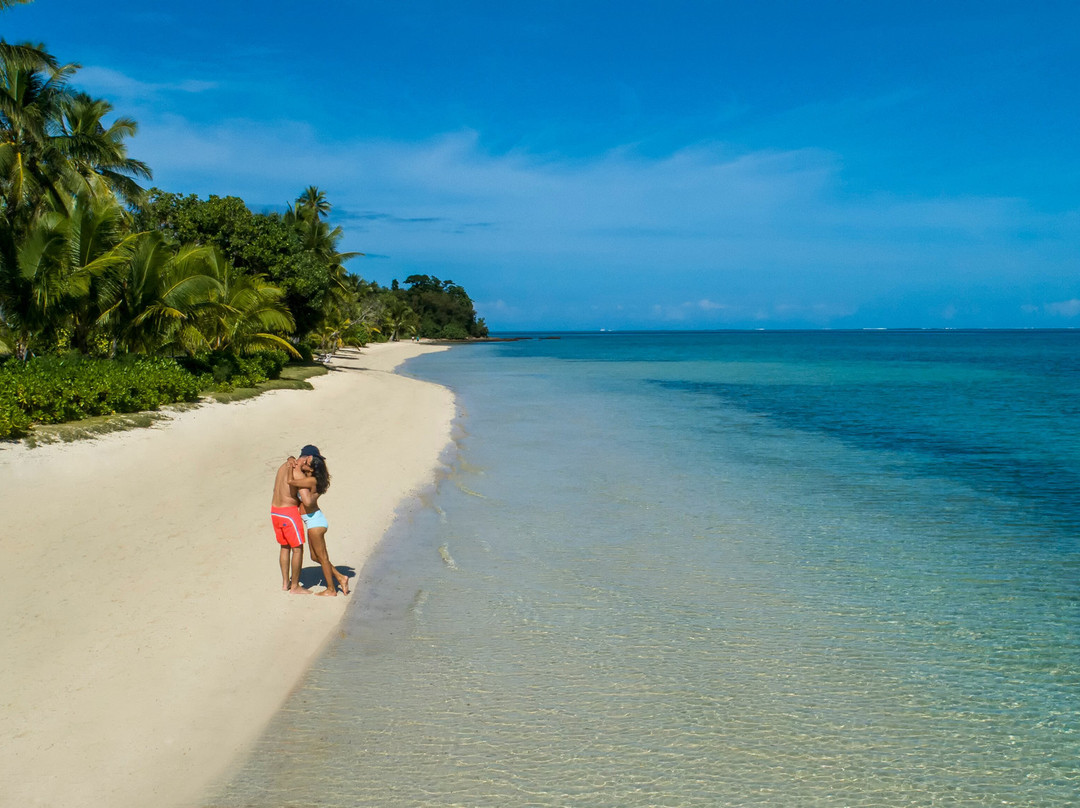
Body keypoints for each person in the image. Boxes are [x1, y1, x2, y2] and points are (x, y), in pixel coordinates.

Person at [295, 444, 349, 597]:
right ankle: (340, 577)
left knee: (323, 557)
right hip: (313, 520)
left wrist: (295, 470)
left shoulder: (311, 480)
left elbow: (299, 491)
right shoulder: (311, 478)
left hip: (315, 522)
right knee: (315, 556)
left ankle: (331, 590)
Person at [270, 453, 316, 593]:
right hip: (289, 513)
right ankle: (295, 586)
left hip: (275, 511)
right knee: (297, 549)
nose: (311, 468)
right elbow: (307, 500)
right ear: (307, 458)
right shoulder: (298, 473)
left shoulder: (284, 466)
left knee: (284, 547)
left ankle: (285, 583)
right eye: (311, 465)